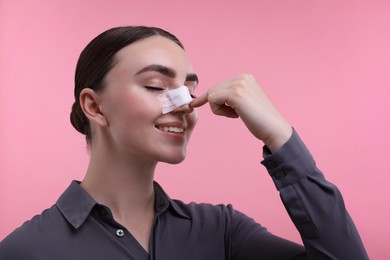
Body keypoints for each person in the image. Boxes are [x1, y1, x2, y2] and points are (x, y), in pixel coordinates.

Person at [0, 26, 368, 259]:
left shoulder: (222, 231)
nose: (186, 106)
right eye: (158, 87)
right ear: (94, 106)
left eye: (189, 90)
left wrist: (279, 135)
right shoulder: (24, 250)